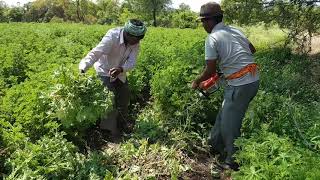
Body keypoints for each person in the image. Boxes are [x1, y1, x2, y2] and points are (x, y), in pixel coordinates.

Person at [191, 2, 259, 170]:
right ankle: (214, 145)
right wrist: (230, 64)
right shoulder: (234, 30)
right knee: (225, 113)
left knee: (230, 124)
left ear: (210, 21)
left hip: (241, 85)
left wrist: (196, 81)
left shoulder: (212, 38)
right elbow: (252, 49)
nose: (202, 25)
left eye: (203, 21)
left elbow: (209, 70)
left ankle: (232, 161)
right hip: (252, 79)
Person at [79, 19, 147, 140]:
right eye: (135, 39)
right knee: (108, 100)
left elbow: (132, 62)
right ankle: (109, 131)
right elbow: (96, 53)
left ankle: (122, 123)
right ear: (127, 34)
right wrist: (83, 68)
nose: (137, 42)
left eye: (139, 39)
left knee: (124, 96)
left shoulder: (135, 43)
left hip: (119, 72)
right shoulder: (112, 36)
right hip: (104, 70)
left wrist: (121, 69)